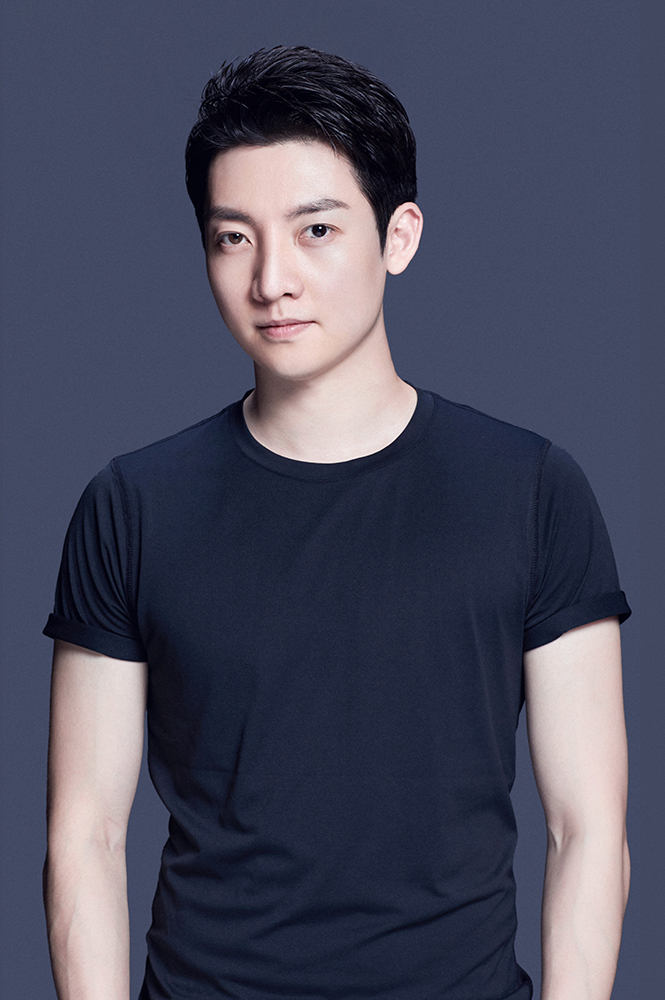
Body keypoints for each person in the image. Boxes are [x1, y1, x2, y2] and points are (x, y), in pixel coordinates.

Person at [43, 45, 631, 1000]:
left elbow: (587, 829)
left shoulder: (530, 490)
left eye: (315, 229)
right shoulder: (133, 504)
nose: (271, 279)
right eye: (232, 238)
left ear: (399, 236)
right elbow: (85, 836)